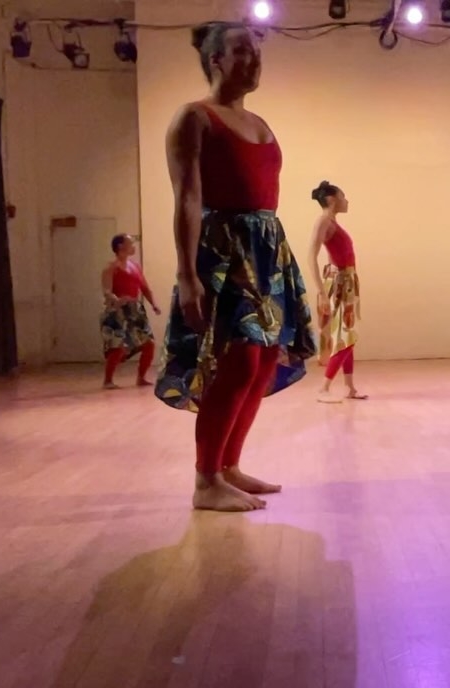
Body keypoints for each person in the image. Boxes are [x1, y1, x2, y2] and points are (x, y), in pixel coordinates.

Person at [155, 21, 316, 512]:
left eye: (257, 50)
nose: (255, 58)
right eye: (242, 51)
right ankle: (206, 480)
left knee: (264, 361)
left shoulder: (261, 123)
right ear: (216, 61)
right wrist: (187, 275)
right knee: (239, 360)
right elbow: (187, 198)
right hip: (224, 251)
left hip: (266, 249)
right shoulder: (194, 118)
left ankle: (228, 466)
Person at [307, 181, 368, 403]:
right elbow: (311, 256)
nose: (346, 201)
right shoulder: (324, 221)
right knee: (346, 337)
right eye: (343, 197)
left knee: (347, 335)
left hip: (347, 283)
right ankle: (323, 388)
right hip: (339, 284)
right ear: (332, 200)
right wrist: (322, 293)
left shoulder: (331, 222)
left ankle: (350, 387)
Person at [100, 234, 160, 389]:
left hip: (134, 310)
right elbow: (107, 290)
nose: (133, 245)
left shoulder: (135, 266)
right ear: (120, 246)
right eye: (130, 242)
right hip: (117, 312)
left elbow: (145, 288)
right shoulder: (111, 268)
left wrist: (154, 304)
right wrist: (117, 299)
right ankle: (108, 380)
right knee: (117, 347)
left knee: (149, 344)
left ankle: (141, 377)